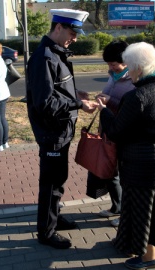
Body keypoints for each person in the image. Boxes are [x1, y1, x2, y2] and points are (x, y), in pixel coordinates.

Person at [96, 42, 155, 269]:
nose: (128, 71)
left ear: (138, 68)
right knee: (152, 211)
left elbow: (115, 131)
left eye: (130, 67)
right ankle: (126, 242)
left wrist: (103, 111)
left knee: (143, 214)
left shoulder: (139, 97)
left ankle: (149, 258)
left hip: (142, 167)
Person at [26, 8, 97, 249]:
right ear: (58, 27)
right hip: (52, 132)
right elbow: (44, 103)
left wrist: (75, 94)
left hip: (61, 130)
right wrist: (78, 103)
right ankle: (46, 232)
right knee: (51, 183)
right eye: (72, 31)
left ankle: (54, 218)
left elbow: (55, 91)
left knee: (59, 179)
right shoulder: (45, 58)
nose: (75, 38)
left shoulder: (56, 54)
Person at [94, 40, 135, 228]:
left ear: (126, 61)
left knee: (125, 176)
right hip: (108, 130)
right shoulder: (113, 75)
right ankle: (116, 206)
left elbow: (131, 109)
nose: (111, 68)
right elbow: (109, 96)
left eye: (114, 64)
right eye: (108, 64)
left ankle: (127, 214)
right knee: (110, 172)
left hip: (122, 134)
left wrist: (110, 101)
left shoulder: (134, 79)